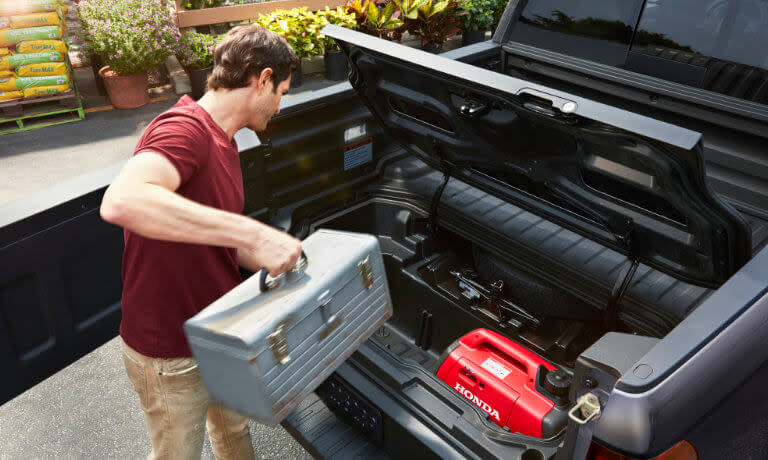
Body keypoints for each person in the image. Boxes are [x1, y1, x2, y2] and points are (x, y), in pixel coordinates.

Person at [99, 25, 302, 460]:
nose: (280, 106)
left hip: (214, 332)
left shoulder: (223, 139)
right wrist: (253, 232)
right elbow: (122, 201)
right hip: (169, 351)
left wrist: (271, 252)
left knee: (233, 434)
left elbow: (215, 236)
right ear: (262, 79)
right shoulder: (184, 129)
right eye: (281, 92)